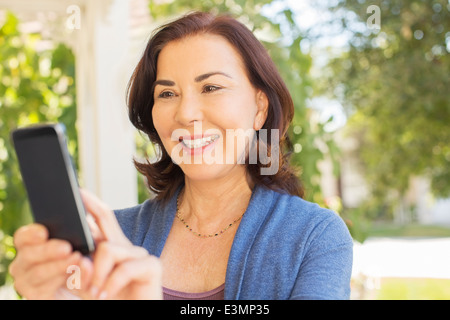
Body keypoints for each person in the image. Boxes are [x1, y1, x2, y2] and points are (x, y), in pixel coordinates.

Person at [9, 11, 353, 300]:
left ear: (259, 108)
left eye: (211, 87)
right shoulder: (112, 238)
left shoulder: (314, 237)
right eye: (168, 93)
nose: (186, 113)